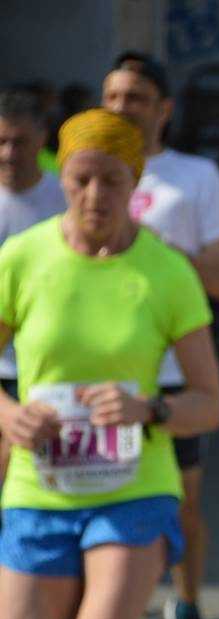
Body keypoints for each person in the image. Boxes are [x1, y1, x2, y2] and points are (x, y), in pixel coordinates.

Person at [0, 109, 219, 619]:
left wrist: (148, 409)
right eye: (81, 179)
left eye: (112, 180)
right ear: (62, 178)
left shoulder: (167, 272)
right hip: (38, 493)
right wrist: (8, 414)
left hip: (134, 490)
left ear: (135, 181)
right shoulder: (21, 258)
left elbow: (210, 402)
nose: (95, 195)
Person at [102, 51, 219, 619]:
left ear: (164, 109)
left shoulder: (195, 177)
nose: (122, 109)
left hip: (169, 375)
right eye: (112, 96)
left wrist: (155, 253)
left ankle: (186, 610)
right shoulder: (82, 172)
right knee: (85, 501)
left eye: (135, 98)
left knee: (182, 504)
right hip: (92, 375)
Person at [0, 89, 68, 477]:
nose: (9, 153)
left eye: (20, 141)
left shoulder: (67, 197)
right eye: (1, 141)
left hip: (41, 366)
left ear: (42, 139)